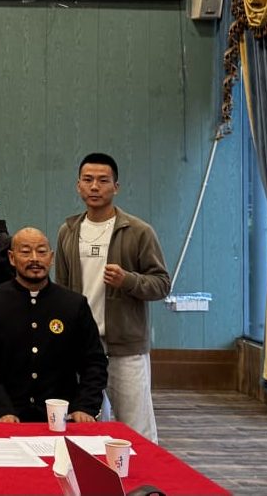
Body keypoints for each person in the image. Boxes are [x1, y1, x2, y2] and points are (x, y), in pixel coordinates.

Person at [55, 153, 171, 442]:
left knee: (137, 427)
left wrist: (127, 280)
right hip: (82, 345)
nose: (95, 186)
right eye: (88, 180)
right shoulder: (68, 231)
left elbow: (162, 284)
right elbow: (62, 290)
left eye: (103, 180)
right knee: (87, 424)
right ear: (78, 186)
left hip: (125, 346)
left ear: (116, 187)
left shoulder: (139, 231)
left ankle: (144, 472)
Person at [0, 227, 108, 423]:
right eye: (25, 252)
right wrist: (1, 410)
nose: (35, 259)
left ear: (51, 258)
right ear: (11, 258)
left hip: (64, 415)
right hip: (6, 414)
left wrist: (84, 407)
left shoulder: (73, 304)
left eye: (41, 251)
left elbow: (94, 363)